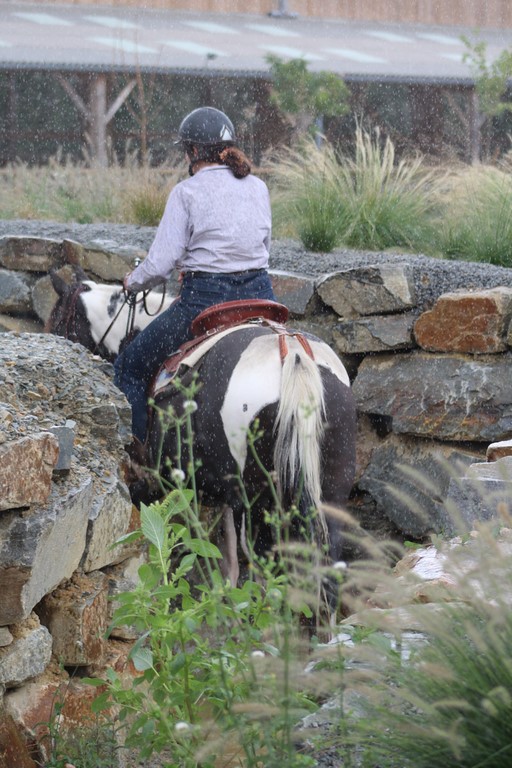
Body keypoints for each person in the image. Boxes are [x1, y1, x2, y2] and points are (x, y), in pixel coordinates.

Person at [114, 106, 276, 446]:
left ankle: (136, 459)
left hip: (206, 301)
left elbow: (160, 264)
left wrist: (133, 281)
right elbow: (262, 247)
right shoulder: (258, 187)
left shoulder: (186, 192)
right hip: (260, 296)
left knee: (131, 366)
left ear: (191, 151)